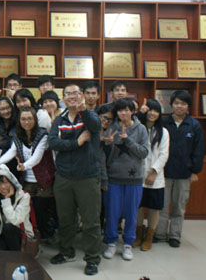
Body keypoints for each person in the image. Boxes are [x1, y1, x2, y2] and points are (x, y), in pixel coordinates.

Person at [48, 83, 103, 276]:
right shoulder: (59, 119)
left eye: (75, 93)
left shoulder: (89, 116)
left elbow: (95, 127)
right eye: (68, 93)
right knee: (65, 219)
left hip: (87, 177)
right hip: (63, 177)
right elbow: (53, 142)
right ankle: (66, 252)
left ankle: (92, 259)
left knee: (90, 221)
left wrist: (84, 111)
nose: (72, 96)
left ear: (82, 96)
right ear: (63, 98)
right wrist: (76, 142)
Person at [0, 107, 56, 241]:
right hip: (27, 181)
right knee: (28, 211)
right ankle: (33, 237)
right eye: (23, 119)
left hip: (43, 180)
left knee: (41, 210)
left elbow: (37, 156)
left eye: (29, 119)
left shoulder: (42, 135)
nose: (26, 122)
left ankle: (46, 236)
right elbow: (11, 152)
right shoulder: (17, 136)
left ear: (35, 120)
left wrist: (25, 165)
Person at [101, 98, 149, 261]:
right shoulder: (111, 128)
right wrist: (107, 145)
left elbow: (144, 152)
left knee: (131, 213)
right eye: (121, 110)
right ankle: (111, 242)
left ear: (133, 111)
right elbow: (104, 156)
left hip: (134, 179)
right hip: (113, 178)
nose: (124, 113)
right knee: (112, 212)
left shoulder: (141, 129)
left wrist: (127, 140)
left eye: (127, 110)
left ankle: (128, 244)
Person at [155, 90, 204, 248]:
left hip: (184, 173)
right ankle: (159, 233)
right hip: (164, 172)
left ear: (188, 106)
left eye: (183, 104)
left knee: (179, 206)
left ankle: (175, 235)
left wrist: (195, 171)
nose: (179, 106)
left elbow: (199, 150)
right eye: (176, 103)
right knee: (162, 205)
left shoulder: (194, 125)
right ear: (171, 104)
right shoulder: (163, 122)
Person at [135, 99, 169, 251]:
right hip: (138, 174)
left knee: (154, 208)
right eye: (150, 110)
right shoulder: (138, 128)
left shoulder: (163, 132)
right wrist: (139, 112)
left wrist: (154, 173)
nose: (152, 113)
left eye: (156, 111)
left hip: (156, 177)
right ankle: (138, 235)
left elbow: (164, 154)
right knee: (138, 206)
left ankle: (149, 237)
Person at [0, 164, 35, 251]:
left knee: (8, 228)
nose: (3, 187)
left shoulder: (23, 196)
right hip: (3, 233)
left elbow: (15, 220)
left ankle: (18, 257)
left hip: (21, 234)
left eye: (6, 182)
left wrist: (6, 200)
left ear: (12, 182)